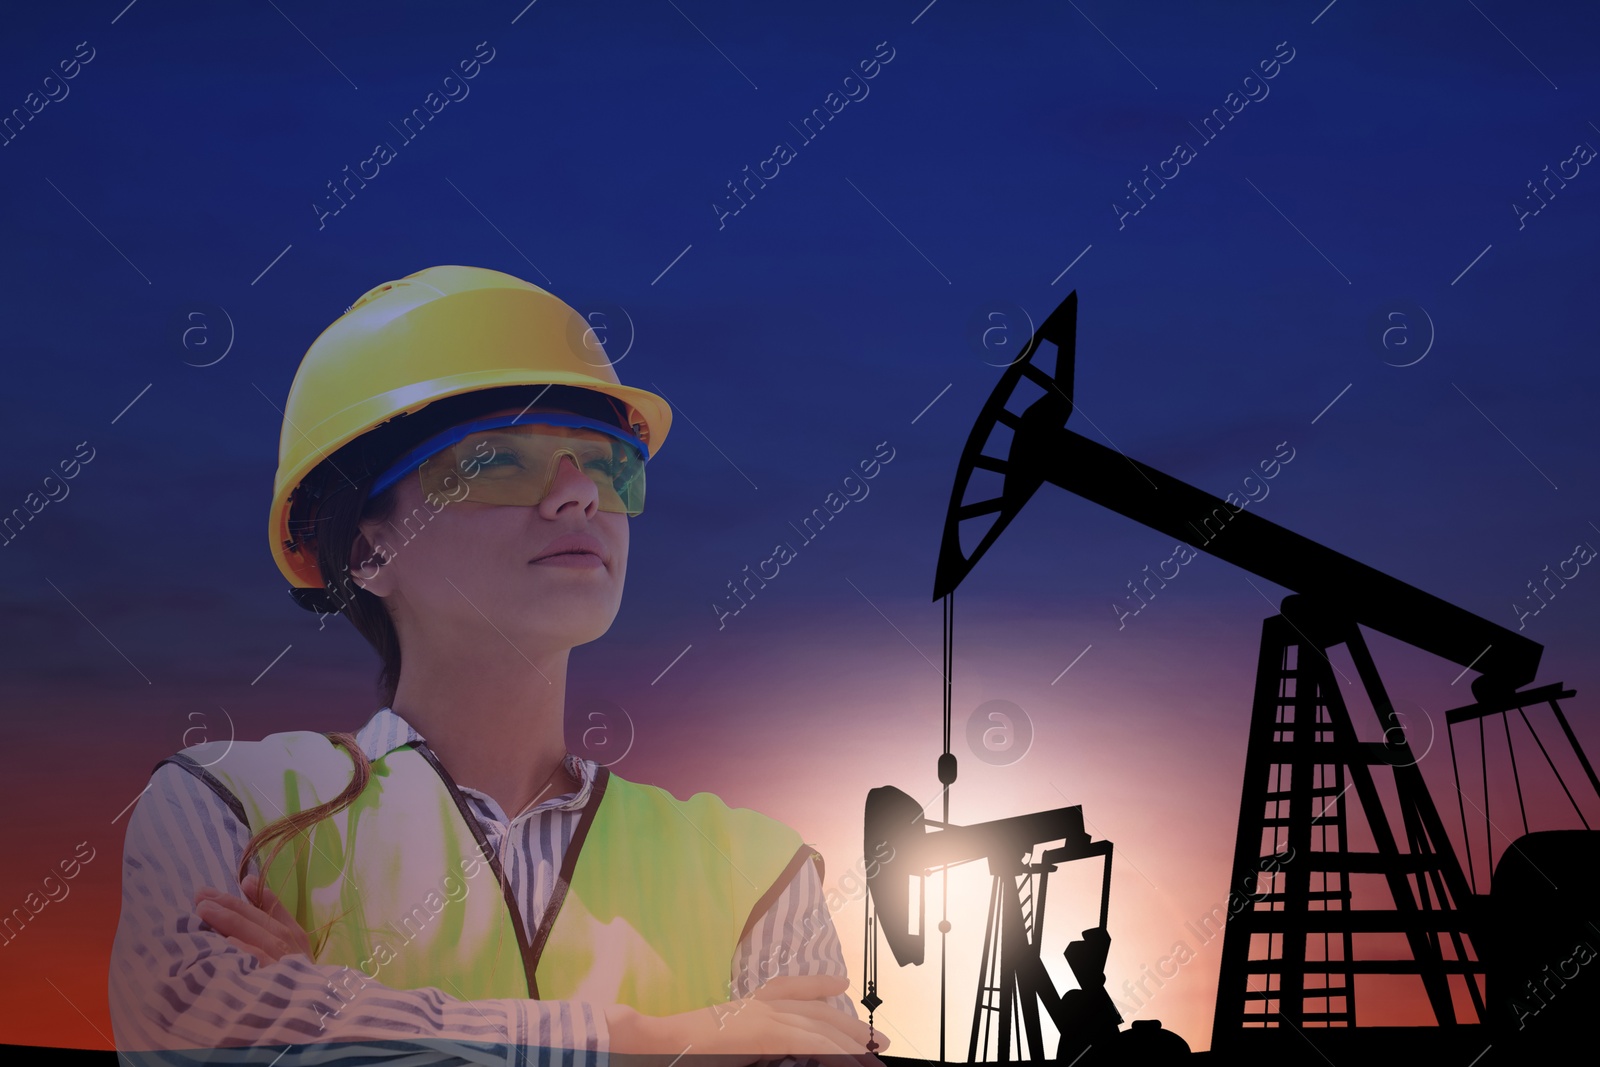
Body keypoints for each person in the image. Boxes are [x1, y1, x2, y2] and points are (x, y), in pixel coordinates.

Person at [108, 265, 889, 1067]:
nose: (578, 495)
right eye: (499, 461)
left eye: (607, 464)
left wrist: (337, 1012)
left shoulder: (755, 868)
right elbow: (194, 1026)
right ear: (368, 550)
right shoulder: (231, 803)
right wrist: (665, 1038)